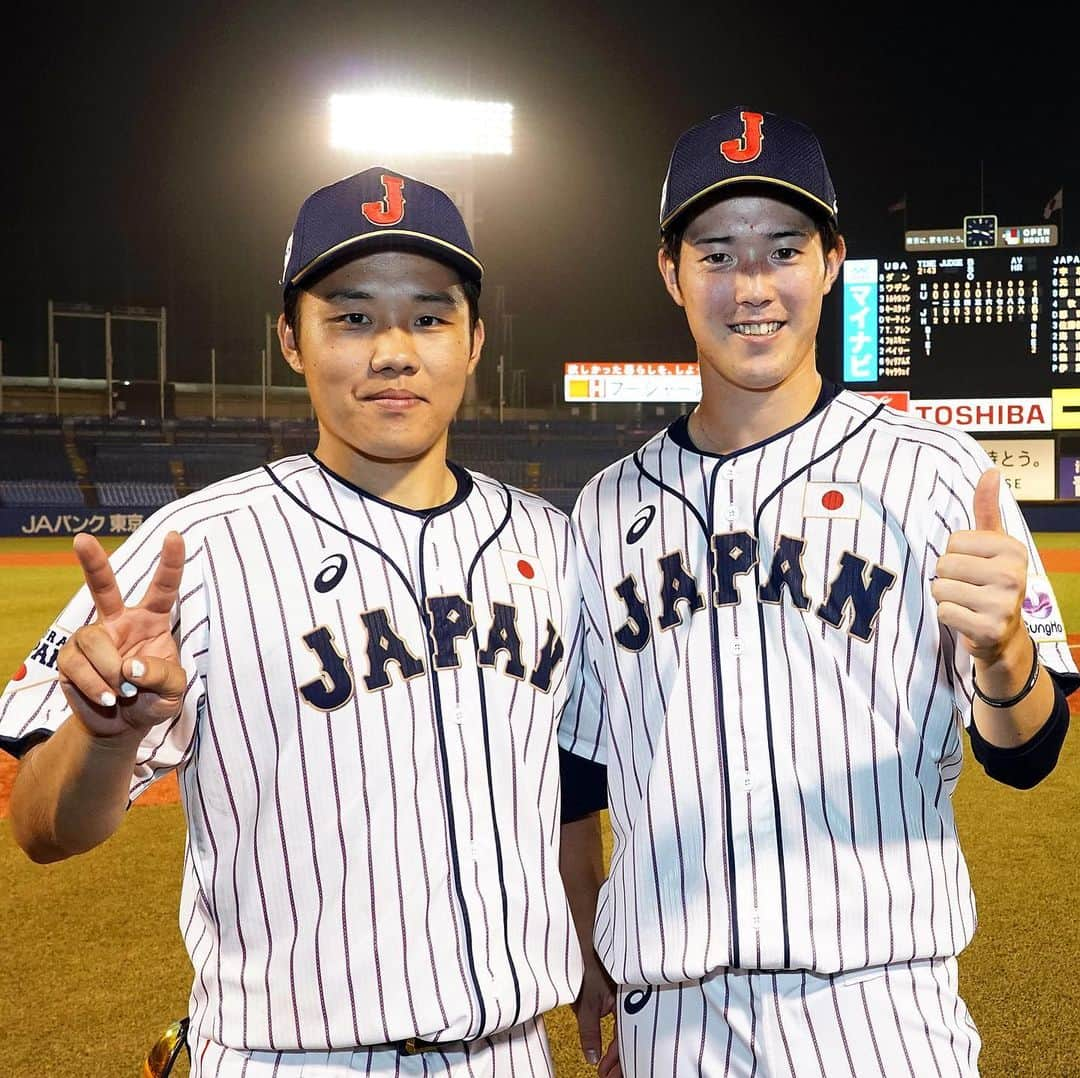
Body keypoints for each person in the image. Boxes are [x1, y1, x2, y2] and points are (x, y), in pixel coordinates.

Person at [3, 166, 588, 1077]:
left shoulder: (554, 545)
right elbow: (42, 828)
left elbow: (574, 798)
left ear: (475, 340)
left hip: (509, 1055)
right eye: (351, 317)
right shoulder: (195, 546)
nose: (394, 350)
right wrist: (106, 733)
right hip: (289, 1057)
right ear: (291, 339)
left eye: (430, 316)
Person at [558, 106, 1078, 1076]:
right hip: (671, 1020)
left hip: (882, 1015)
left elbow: (1029, 752)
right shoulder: (602, 509)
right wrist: (590, 955)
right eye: (717, 252)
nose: (752, 285)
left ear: (831, 260)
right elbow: (574, 782)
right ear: (671, 272)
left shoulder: (937, 472)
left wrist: (1005, 653)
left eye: (783, 248)